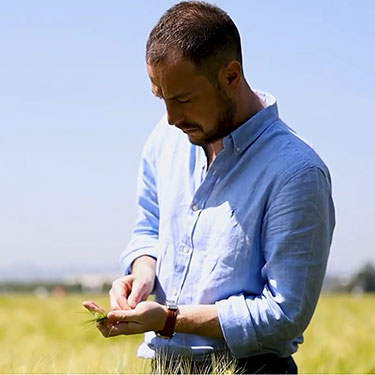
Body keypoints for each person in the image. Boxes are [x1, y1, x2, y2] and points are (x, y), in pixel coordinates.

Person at [83, 1, 335, 373]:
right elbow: (148, 228)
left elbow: (284, 313)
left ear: (231, 76)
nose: (170, 118)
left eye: (183, 99)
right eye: (161, 98)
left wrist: (170, 320)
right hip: (161, 365)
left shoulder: (298, 172)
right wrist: (142, 274)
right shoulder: (163, 140)